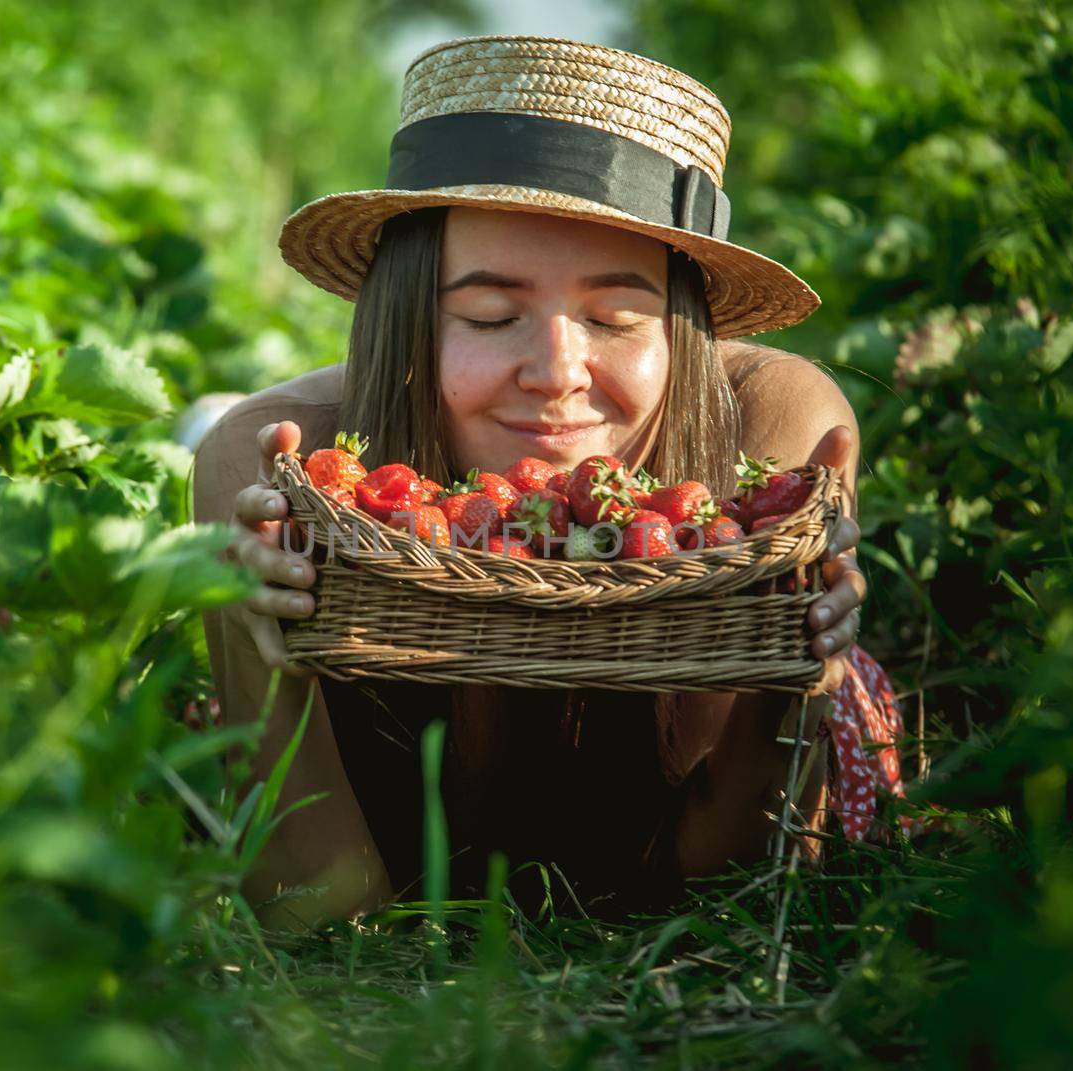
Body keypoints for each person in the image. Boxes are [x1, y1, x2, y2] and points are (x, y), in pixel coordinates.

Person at [194, 35, 883, 930]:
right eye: (491, 314)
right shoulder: (277, 465)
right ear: (407, 316)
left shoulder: (771, 434)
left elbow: (732, 889)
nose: (556, 372)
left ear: (678, 330)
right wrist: (253, 636)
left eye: (618, 316)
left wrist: (793, 669)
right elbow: (320, 912)